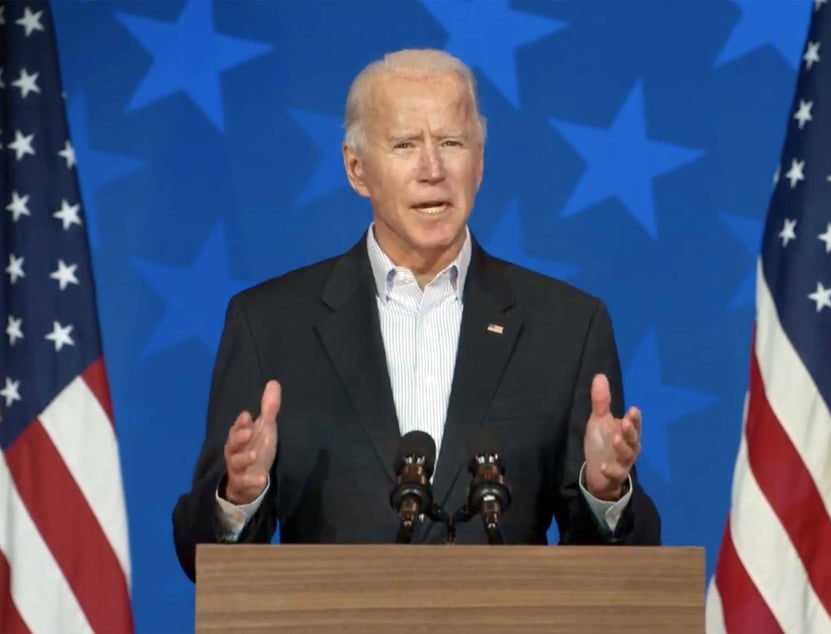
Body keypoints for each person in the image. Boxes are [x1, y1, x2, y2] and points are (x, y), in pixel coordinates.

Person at [172, 48, 660, 581]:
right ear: (357, 169)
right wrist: (239, 495)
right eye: (405, 145)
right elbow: (201, 558)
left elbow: (616, 570)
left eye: (451, 143)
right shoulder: (269, 324)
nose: (432, 170)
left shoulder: (566, 326)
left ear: (480, 162)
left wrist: (605, 490)